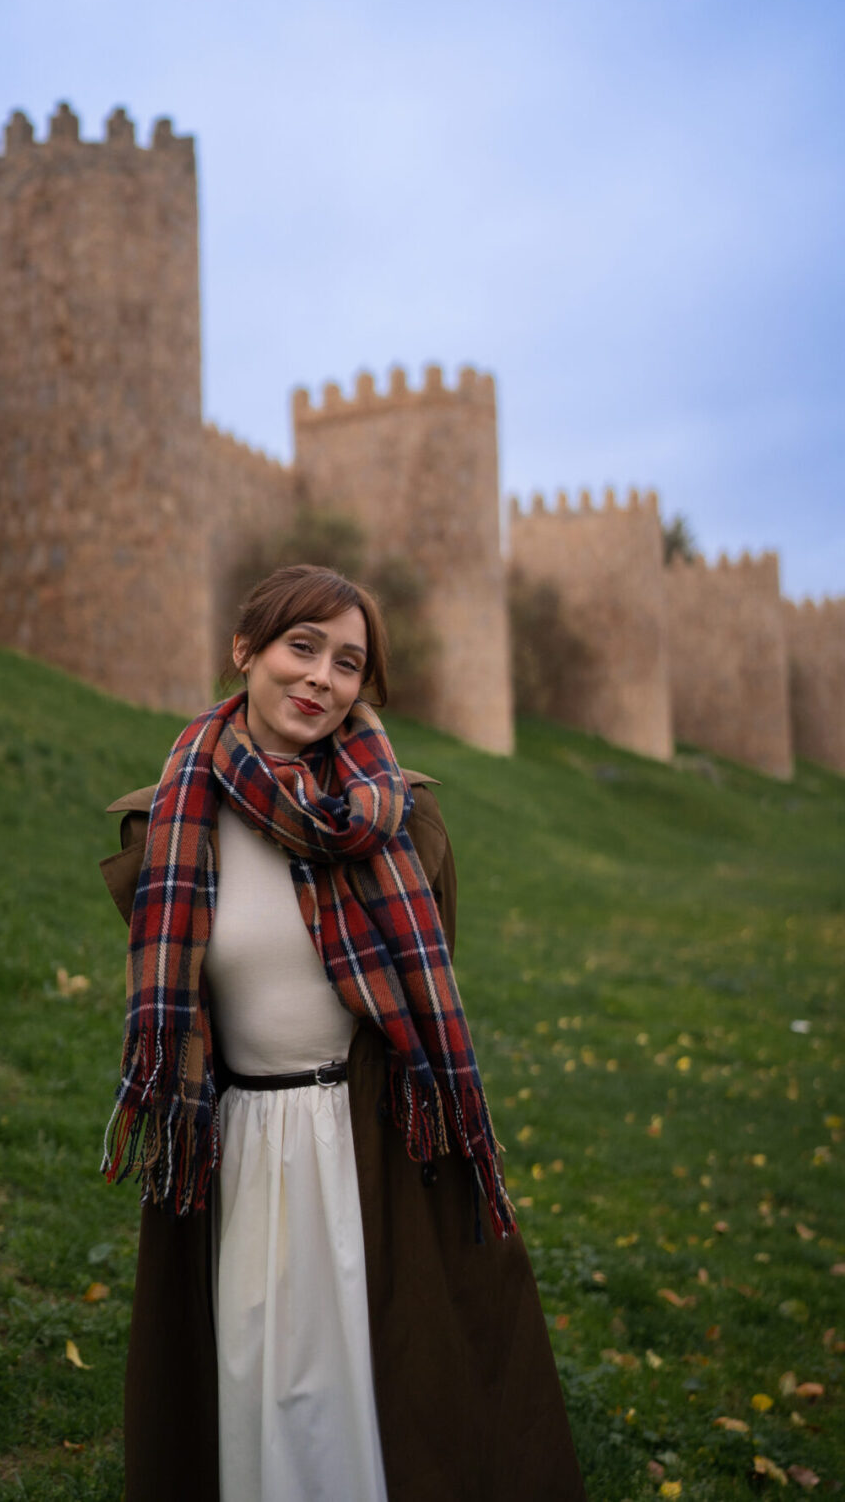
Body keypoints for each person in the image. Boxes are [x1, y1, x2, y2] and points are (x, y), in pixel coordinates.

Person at [99, 564, 585, 1502]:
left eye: (349, 663)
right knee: (248, 1396)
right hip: (233, 1151)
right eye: (302, 646)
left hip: (373, 1149)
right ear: (247, 650)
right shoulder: (175, 820)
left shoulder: (403, 820)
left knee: (388, 1404)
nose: (322, 677)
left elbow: (427, 996)